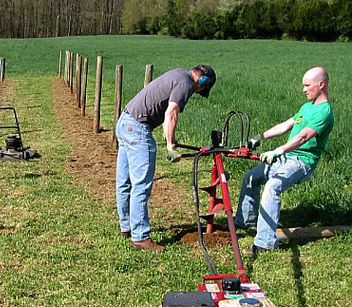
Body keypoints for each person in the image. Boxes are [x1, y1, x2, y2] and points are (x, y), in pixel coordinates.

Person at [115, 65, 217, 251]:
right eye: (202, 89)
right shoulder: (186, 84)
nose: (198, 92)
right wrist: (170, 147)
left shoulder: (178, 74)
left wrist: (170, 136)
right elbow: (171, 113)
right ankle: (140, 236)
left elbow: (163, 111)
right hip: (138, 128)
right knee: (141, 185)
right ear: (203, 82)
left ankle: (126, 227)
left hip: (125, 122)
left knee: (125, 181)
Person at [235, 66, 334, 255]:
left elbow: (304, 137)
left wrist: (277, 150)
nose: (304, 90)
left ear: (321, 85)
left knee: (273, 187)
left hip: (301, 162)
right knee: (251, 177)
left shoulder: (324, 112)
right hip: (287, 157)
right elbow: (286, 125)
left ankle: (265, 243)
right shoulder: (307, 107)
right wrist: (259, 137)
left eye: (307, 85)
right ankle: (245, 222)